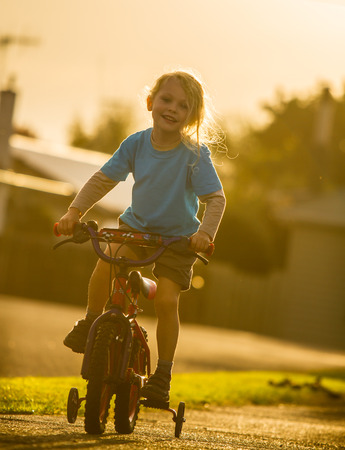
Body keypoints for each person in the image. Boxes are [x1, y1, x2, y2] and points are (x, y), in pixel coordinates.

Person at [56, 69, 226, 403]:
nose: (173, 108)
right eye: (166, 99)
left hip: (178, 240)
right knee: (106, 264)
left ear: (193, 116)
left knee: (165, 300)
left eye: (183, 106)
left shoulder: (195, 155)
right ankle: (91, 322)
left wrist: (204, 233)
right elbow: (103, 179)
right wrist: (74, 212)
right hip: (136, 229)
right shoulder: (135, 143)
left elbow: (216, 199)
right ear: (151, 102)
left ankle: (162, 374)